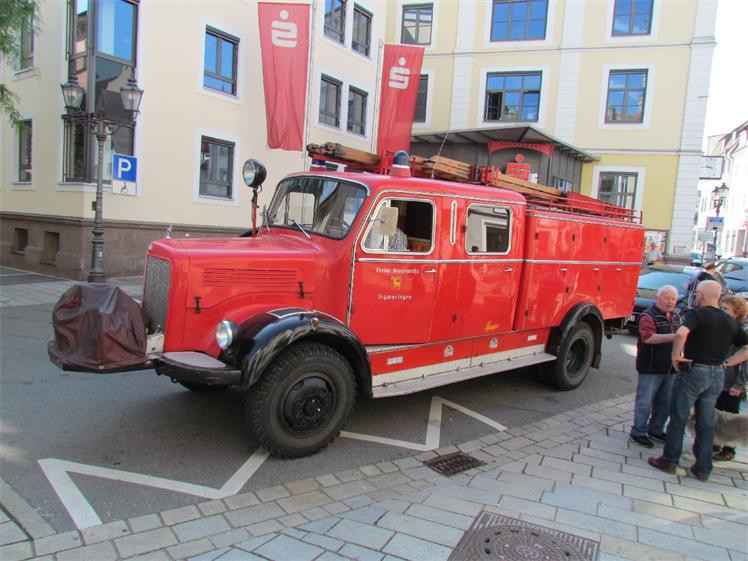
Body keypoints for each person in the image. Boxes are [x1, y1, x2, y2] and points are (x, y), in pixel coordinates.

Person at [648, 280, 748, 481]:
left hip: (694, 371)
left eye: (697, 294)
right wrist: (726, 363)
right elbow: (746, 348)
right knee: (706, 421)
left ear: (701, 295)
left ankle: (669, 460)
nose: (695, 296)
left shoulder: (697, 314)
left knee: (679, 416)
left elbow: (681, 333)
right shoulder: (730, 321)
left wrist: (676, 356)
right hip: (716, 374)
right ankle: (703, 468)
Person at [629, 285, 682, 448]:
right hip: (650, 367)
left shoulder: (676, 316)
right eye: (667, 298)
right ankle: (638, 432)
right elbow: (648, 338)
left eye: (673, 299)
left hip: (670, 368)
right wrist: (675, 336)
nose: (670, 302)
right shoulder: (648, 316)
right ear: (658, 298)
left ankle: (656, 430)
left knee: (664, 402)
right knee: (645, 402)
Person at [714, 294, 748, 461]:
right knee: (716, 413)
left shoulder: (741, 331)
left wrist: (739, 384)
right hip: (717, 379)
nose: (722, 311)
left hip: (731, 382)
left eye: (726, 309)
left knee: (731, 418)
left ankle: (729, 449)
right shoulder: (722, 327)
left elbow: (745, 362)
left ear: (737, 313)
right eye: (721, 308)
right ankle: (715, 443)